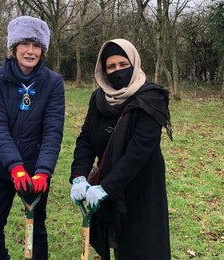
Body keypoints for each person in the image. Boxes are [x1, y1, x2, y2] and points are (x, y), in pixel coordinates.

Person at [69, 38, 172, 260]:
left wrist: (106, 187)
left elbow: (139, 152)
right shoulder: (98, 99)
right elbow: (86, 137)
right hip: (108, 190)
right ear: (103, 70)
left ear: (134, 63)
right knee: (116, 245)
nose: (118, 71)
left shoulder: (151, 98)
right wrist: (78, 175)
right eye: (111, 67)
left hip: (141, 190)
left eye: (123, 65)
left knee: (145, 249)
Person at [0, 16, 65, 260]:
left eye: (37, 45)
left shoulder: (53, 82)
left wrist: (43, 171)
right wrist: (14, 167)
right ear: (14, 47)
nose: (30, 51)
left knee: (37, 230)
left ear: (43, 50)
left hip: (35, 172)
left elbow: (53, 130)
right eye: (25, 44)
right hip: (2, 168)